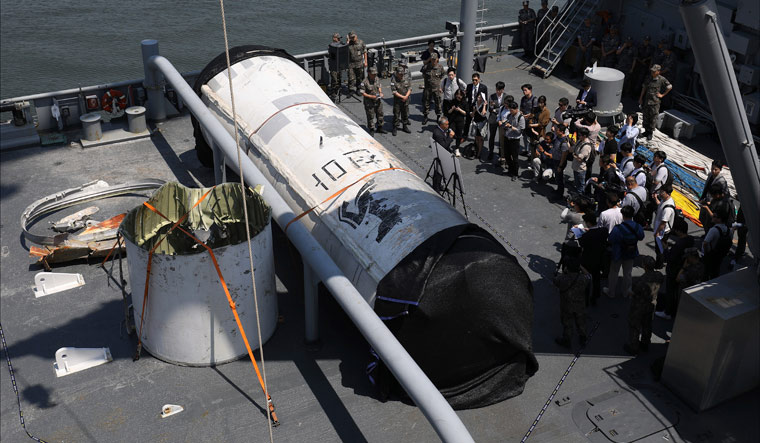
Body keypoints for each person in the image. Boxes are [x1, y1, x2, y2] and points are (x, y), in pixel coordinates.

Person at [624, 256, 663, 355]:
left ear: (644, 266)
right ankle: (645, 344)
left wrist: (629, 291)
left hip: (639, 306)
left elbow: (633, 292)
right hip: (651, 304)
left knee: (634, 326)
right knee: (647, 325)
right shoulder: (659, 275)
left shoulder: (640, 281)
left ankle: (634, 347)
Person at [606, 205, 644, 299]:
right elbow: (641, 237)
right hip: (631, 252)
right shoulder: (637, 226)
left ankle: (611, 292)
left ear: (623, 215)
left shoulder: (618, 228)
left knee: (614, 273)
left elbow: (611, 239)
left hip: (618, 253)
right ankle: (626, 292)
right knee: (627, 273)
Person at [661, 217, 693, 319]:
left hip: (674, 270)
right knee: (677, 291)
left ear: (679, 231)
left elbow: (669, 258)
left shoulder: (679, 245)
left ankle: (668, 312)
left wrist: (666, 249)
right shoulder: (690, 240)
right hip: (683, 269)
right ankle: (674, 309)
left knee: (670, 291)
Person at [553, 257, 588, 348]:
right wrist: (580, 267)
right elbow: (589, 276)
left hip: (567, 305)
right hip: (580, 305)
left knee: (567, 323)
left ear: (567, 268)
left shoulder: (563, 279)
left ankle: (567, 340)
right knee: (581, 321)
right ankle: (583, 337)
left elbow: (555, 280)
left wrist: (564, 272)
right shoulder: (583, 278)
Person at [579, 212, 607, 306]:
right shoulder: (603, 231)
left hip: (587, 260)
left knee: (586, 279)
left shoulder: (586, 236)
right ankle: (595, 297)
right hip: (599, 259)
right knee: (596, 279)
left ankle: (586, 297)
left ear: (588, 223)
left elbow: (582, 243)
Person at [639, 64, 672, 140]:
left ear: (658, 72)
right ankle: (646, 131)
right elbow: (644, 87)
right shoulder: (649, 78)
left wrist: (662, 95)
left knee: (653, 118)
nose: (652, 73)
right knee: (646, 116)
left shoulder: (662, 79)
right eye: (652, 71)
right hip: (647, 101)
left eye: (654, 71)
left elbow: (669, 87)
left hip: (655, 103)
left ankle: (650, 133)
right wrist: (641, 98)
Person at [701, 208, 732, 281]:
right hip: (720, 254)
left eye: (714, 216)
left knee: (706, 272)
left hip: (710, 254)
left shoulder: (713, 230)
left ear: (719, 219)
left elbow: (705, 243)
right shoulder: (729, 230)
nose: (712, 217)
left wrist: (705, 252)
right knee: (716, 270)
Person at [698, 159, 728, 232]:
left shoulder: (721, 181)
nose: (713, 171)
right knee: (701, 217)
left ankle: (708, 234)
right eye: (712, 169)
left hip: (713, 204)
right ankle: (706, 232)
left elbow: (725, 194)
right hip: (705, 200)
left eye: (716, 170)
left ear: (720, 170)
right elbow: (706, 187)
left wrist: (712, 201)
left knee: (709, 221)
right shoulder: (710, 175)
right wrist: (702, 198)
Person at [499, 101, 524, 180]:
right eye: (509, 110)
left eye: (511, 110)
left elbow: (520, 131)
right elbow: (506, 124)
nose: (510, 111)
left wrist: (511, 127)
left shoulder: (520, 118)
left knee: (515, 158)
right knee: (507, 156)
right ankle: (510, 170)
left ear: (516, 109)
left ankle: (515, 173)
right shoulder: (509, 115)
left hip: (515, 140)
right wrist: (504, 124)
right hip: (507, 138)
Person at [652, 185, 676, 268]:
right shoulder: (664, 200)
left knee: (659, 249)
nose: (660, 194)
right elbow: (660, 205)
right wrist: (656, 198)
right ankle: (666, 258)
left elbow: (663, 223)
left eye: (662, 192)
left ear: (668, 194)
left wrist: (657, 232)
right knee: (663, 246)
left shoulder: (668, 209)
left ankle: (659, 265)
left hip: (662, 231)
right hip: (660, 229)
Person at [575, 111, 601, 181]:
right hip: (593, 149)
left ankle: (582, 181)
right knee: (589, 167)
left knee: (583, 165)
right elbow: (595, 121)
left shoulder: (589, 128)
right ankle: (587, 182)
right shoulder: (598, 126)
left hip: (586, 147)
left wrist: (582, 119)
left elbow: (576, 123)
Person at [360, 67, 385, 136]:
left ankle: (380, 127)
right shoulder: (364, 82)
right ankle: (371, 129)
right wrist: (371, 96)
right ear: (369, 73)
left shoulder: (376, 78)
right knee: (370, 115)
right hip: (369, 102)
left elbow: (379, 86)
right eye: (373, 74)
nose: (374, 75)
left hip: (377, 100)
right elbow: (362, 93)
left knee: (380, 114)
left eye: (375, 74)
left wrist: (380, 92)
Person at [487, 81, 507, 161]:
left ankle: (501, 152)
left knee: (501, 137)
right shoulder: (492, 96)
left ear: (503, 90)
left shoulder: (506, 97)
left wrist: (496, 109)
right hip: (493, 119)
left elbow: (506, 108)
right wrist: (498, 109)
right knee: (492, 136)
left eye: (499, 90)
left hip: (502, 120)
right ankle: (490, 152)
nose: (497, 91)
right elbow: (490, 109)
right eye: (497, 89)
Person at [421, 54, 444, 124]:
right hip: (428, 88)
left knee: (438, 103)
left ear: (437, 59)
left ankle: (438, 117)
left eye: (434, 59)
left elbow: (442, 75)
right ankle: (425, 116)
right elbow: (423, 74)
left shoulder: (440, 67)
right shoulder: (426, 67)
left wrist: (437, 82)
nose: (433, 61)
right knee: (426, 103)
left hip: (436, 89)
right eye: (432, 59)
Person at [464, 73, 487, 138]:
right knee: (467, 122)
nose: (474, 81)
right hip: (470, 106)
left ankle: (476, 138)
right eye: (473, 80)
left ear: (479, 80)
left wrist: (484, 109)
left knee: (477, 123)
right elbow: (466, 97)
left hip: (478, 107)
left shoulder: (483, 87)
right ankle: (465, 135)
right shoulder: (469, 86)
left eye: (476, 80)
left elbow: (485, 99)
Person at [571, 127, 593, 194]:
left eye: (580, 135)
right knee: (577, 184)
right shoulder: (580, 141)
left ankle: (581, 198)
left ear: (584, 136)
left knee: (581, 186)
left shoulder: (586, 146)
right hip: (576, 167)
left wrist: (574, 155)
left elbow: (580, 159)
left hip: (581, 169)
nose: (578, 136)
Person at [391, 66, 411, 136]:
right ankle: (395, 127)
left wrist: (406, 96)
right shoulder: (394, 81)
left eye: (402, 74)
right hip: (397, 101)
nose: (401, 75)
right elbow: (394, 92)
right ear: (397, 73)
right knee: (396, 114)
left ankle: (405, 126)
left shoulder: (406, 79)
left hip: (405, 100)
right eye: (400, 74)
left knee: (405, 113)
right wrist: (403, 97)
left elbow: (409, 89)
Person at [551, 124, 571, 198]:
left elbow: (564, 155)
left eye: (557, 130)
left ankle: (560, 194)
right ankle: (558, 190)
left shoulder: (564, 142)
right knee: (557, 177)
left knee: (560, 178)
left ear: (561, 132)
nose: (555, 131)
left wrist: (560, 165)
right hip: (555, 159)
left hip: (559, 162)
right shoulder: (558, 138)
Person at [520, 84, 539, 154]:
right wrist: (521, 113)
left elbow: (535, 111)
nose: (524, 92)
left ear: (530, 90)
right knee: (524, 136)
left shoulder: (534, 99)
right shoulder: (523, 99)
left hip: (531, 121)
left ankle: (531, 152)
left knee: (530, 137)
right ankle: (526, 150)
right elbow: (521, 108)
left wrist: (529, 115)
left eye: (525, 90)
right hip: (524, 120)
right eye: (523, 90)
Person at [347, 31, 367, 95]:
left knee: (359, 77)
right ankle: (351, 90)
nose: (353, 38)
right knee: (351, 78)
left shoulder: (361, 42)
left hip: (359, 63)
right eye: (351, 37)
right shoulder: (348, 44)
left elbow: (365, 51)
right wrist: (347, 42)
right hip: (351, 64)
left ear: (356, 36)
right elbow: (345, 52)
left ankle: (358, 88)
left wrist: (365, 61)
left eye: (354, 37)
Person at [470, 92, 488, 160]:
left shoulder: (484, 104)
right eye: (478, 97)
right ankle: (477, 149)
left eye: (480, 97)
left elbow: (483, 114)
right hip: (475, 122)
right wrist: (474, 111)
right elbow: (471, 115)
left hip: (482, 123)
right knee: (476, 138)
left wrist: (484, 105)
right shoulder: (474, 104)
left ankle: (479, 153)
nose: (479, 98)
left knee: (480, 138)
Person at [328, 33, 343, 101]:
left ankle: (338, 90)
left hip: (339, 65)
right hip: (333, 65)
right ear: (334, 38)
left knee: (339, 77)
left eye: (339, 38)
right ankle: (333, 92)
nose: (339, 40)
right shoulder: (331, 45)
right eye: (338, 38)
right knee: (334, 79)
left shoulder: (341, 44)